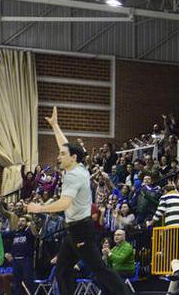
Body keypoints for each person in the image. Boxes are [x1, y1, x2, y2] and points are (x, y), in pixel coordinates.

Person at [27, 107, 129, 295]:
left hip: (81, 230)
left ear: (72, 158)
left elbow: (64, 203)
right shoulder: (78, 165)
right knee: (62, 271)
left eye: (62, 155)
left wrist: (39, 207)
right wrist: (55, 126)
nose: (59, 156)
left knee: (99, 269)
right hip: (73, 230)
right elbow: (65, 145)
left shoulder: (74, 176)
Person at [6, 215, 37, 295]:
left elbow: (35, 235)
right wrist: (7, 252)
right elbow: (3, 235)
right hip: (16, 260)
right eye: (19, 221)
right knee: (16, 282)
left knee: (28, 281)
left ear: (27, 223)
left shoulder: (29, 232)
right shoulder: (15, 232)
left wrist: (31, 226)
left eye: (23, 221)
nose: (20, 223)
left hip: (26, 260)